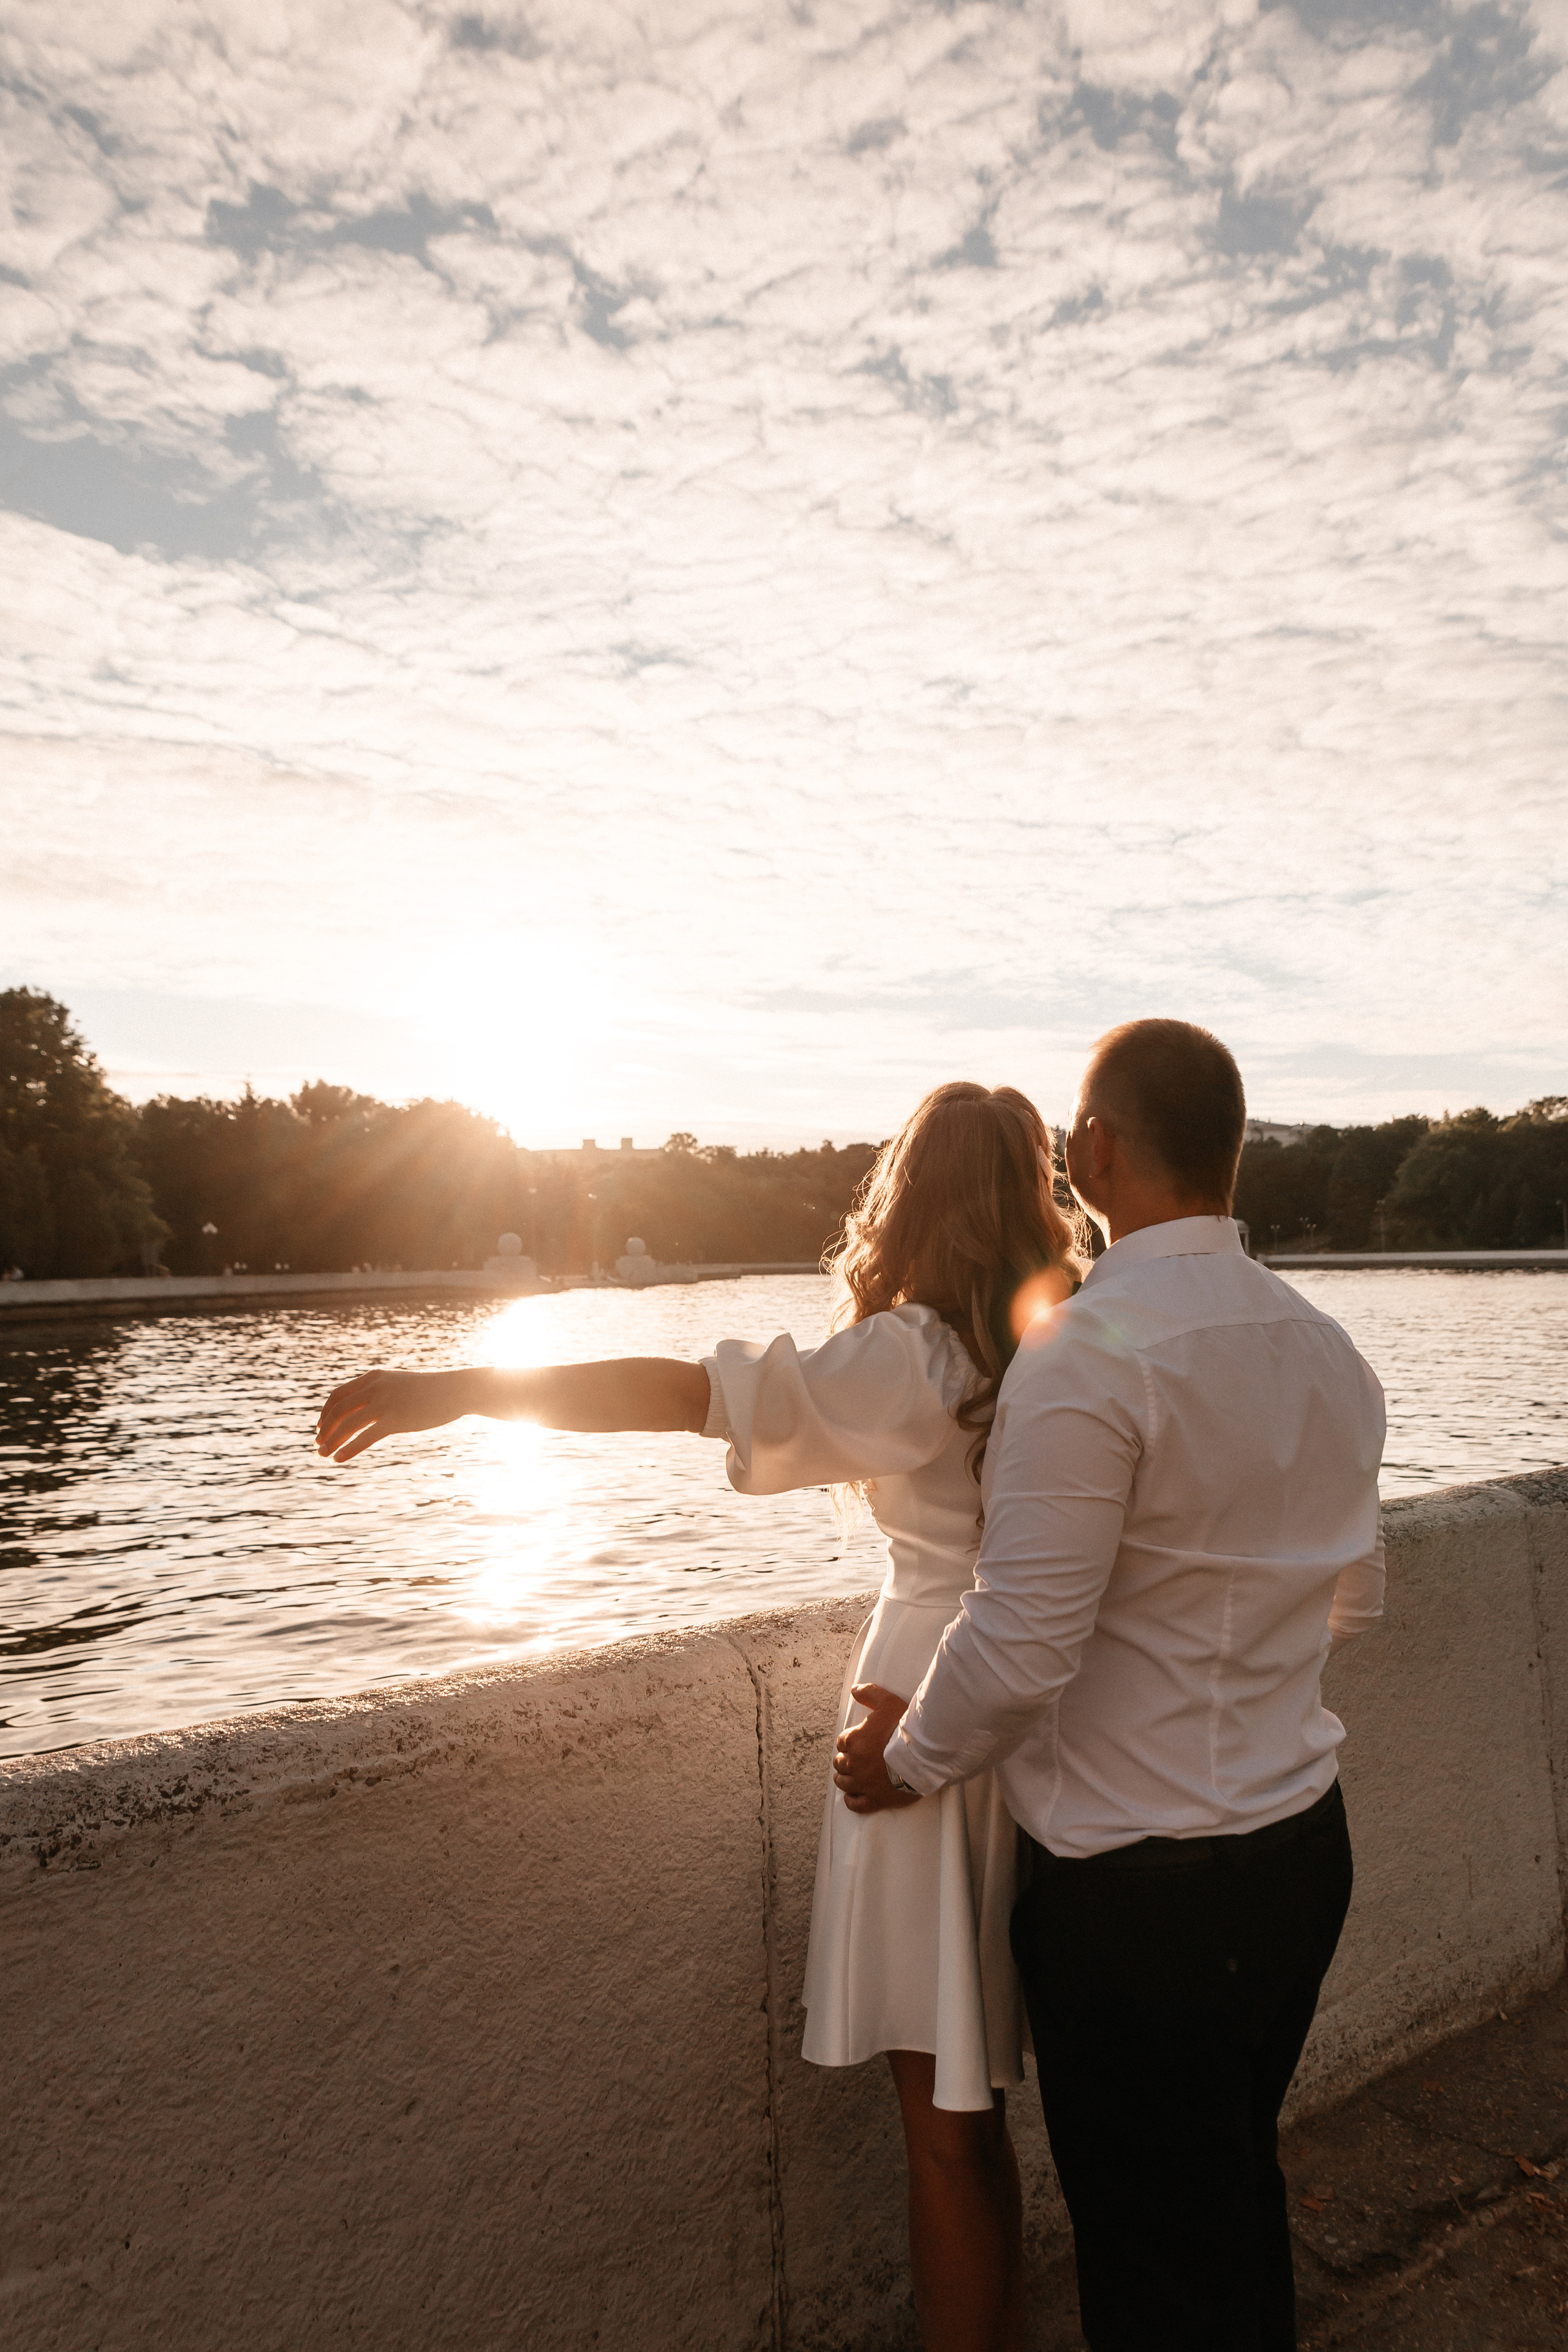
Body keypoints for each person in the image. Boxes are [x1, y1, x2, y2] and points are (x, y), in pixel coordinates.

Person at [313, 1082, 1084, 2352]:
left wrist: (458, 1388)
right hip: (1028, 1715)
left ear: (914, 1198)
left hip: (917, 1726)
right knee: (979, 2099)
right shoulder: (1062, 1343)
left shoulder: (912, 1358)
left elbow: (683, 1394)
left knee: (942, 2129)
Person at [837, 1020, 1386, 2352]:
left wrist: (901, 1762)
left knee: (1152, 2266)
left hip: (1144, 1904)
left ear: (1090, 1149)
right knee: (1223, 2211)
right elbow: (1350, 1598)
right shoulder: (1329, 1351)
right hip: (1298, 1851)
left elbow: (1021, 1640)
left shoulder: (1087, 1350)